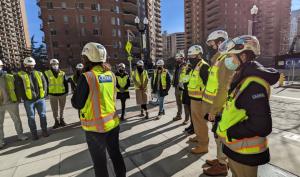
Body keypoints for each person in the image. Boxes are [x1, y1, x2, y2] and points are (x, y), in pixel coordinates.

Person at [216, 35, 279, 177]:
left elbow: (262, 125)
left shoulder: (253, 85)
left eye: (231, 56)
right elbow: (236, 109)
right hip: (237, 149)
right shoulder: (242, 79)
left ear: (243, 57)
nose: (229, 60)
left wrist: (231, 132)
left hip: (245, 153)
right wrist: (221, 124)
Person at [71, 42, 126, 177]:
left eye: (83, 57)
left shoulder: (87, 76)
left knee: (100, 162)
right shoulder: (111, 75)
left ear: (87, 58)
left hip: (95, 128)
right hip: (112, 123)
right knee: (115, 154)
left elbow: (77, 103)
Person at [201, 30, 233, 176]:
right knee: (216, 134)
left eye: (212, 43)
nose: (210, 46)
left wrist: (213, 110)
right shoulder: (219, 59)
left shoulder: (225, 59)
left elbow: (223, 88)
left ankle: (222, 165)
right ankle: (220, 159)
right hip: (216, 104)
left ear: (220, 41)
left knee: (220, 135)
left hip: (220, 107)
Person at [15, 57, 49, 140]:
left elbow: (45, 84)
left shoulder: (39, 73)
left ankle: (44, 131)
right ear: (25, 65)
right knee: (31, 117)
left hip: (40, 99)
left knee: (43, 115)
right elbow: (18, 88)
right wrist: (24, 97)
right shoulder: (20, 75)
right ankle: (34, 134)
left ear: (34, 65)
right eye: (28, 65)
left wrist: (44, 94)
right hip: (28, 101)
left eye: (32, 65)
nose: (30, 66)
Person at [186, 45, 210, 154]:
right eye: (189, 56)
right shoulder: (195, 66)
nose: (190, 58)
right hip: (194, 99)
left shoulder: (203, 66)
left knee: (201, 122)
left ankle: (203, 145)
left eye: (192, 56)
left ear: (199, 55)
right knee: (196, 121)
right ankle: (198, 136)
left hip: (200, 100)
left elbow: (208, 85)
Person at [0, 60, 28, 148]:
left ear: (2, 66)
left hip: (11, 102)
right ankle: (1, 141)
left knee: (16, 120)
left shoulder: (10, 76)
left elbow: (17, 88)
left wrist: (18, 99)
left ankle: (20, 135)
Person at [44, 59, 69, 129]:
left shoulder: (62, 73)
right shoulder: (47, 73)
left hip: (62, 94)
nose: (55, 65)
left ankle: (62, 119)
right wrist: (46, 93)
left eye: (56, 64)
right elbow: (45, 84)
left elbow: (65, 83)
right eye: (53, 64)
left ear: (58, 64)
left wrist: (67, 92)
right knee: (54, 109)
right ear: (51, 65)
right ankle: (56, 121)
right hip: (52, 94)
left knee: (62, 108)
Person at [172, 52, 185, 121]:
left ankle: (187, 118)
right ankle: (179, 115)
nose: (177, 60)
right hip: (176, 87)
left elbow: (187, 77)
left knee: (185, 104)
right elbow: (175, 76)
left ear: (182, 58)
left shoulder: (186, 66)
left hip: (183, 88)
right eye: (176, 59)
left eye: (178, 58)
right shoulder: (176, 66)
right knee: (178, 103)